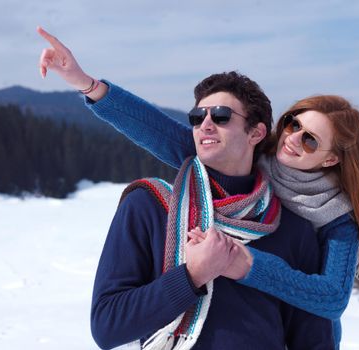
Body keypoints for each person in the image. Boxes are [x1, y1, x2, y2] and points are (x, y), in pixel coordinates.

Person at [38, 27, 336, 349]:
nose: (205, 124)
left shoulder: (291, 226)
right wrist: (191, 275)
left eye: (221, 116)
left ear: (256, 133)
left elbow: (313, 339)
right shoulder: (149, 206)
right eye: (197, 117)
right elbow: (108, 326)